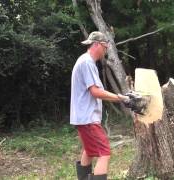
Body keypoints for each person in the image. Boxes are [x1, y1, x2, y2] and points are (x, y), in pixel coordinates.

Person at [70, 31, 128, 180]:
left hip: (82, 117)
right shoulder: (87, 62)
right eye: (105, 46)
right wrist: (119, 98)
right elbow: (95, 91)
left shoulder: (83, 60)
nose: (106, 50)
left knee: (89, 151)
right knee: (104, 153)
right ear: (96, 44)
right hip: (88, 118)